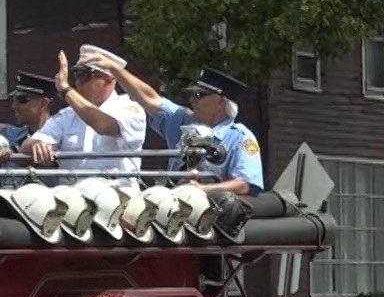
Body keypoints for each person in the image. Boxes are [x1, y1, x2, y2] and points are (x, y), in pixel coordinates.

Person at [97, 59, 265, 195]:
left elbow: (246, 184)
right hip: (171, 205)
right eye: (192, 94)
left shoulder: (239, 137)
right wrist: (116, 70)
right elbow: (150, 99)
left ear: (221, 103)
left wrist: (203, 191)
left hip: (211, 216)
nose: (192, 100)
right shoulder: (183, 120)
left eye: (199, 95)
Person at [23, 45, 149, 188]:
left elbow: (102, 125)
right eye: (76, 76)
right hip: (72, 200)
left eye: (84, 76)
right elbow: (26, 146)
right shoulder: (67, 115)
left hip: (118, 197)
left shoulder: (130, 109)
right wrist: (37, 144)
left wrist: (66, 90)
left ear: (108, 79)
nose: (77, 83)